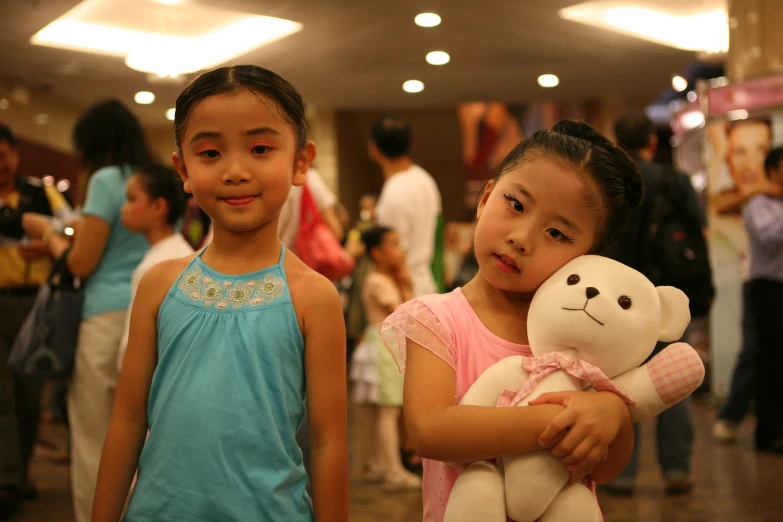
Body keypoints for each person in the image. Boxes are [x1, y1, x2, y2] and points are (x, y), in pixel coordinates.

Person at [91, 65, 348, 522]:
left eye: (260, 149)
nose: (234, 171)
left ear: (301, 162)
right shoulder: (159, 285)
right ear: (183, 170)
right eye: (210, 153)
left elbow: (328, 443)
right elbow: (128, 421)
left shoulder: (314, 297)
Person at [381, 120, 646, 522]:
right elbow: (430, 430)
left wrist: (613, 414)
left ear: (588, 257)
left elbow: (607, 469)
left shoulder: (587, 337)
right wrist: (564, 420)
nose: (522, 238)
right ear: (486, 197)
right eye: (516, 204)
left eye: (557, 233)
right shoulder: (438, 319)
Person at [21, 100, 152, 522]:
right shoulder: (149, 179)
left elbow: (81, 263)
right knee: (142, 434)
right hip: (147, 312)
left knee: (97, 435)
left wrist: (48, 234)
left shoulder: (106, 179)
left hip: (104, 319)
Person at [605, 110, 705, 495]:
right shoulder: (674, 180)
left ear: (617, 143)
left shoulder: (609, 184)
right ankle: (677, 469)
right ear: (651, 141)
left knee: (618, 382)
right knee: (671, 380)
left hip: (619, 298)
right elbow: (698, 227)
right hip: (668, 295)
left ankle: (622, 473)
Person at [0, 124, 72, 516]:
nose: (0, 166)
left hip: (35, 307)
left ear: (14, 154)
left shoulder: (40, 193)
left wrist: (46, 239)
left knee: (29, 401)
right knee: (2, 401)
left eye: (3, 156)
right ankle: (8, 480)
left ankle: (21, 474)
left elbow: (74, 226)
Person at [711, 119, 778, 442]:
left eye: (760, 149)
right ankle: (733, 418)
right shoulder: (753, 201)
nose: (749, 162)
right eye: (739, 151)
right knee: (755, 353)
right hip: (762, 285)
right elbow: (767, 235)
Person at [350, 226, 421, 492]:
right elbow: (404, 313)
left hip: (381, 344)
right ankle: (392, 469)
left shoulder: (381, 278)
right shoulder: (378, 281)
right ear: (377, 253)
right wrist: (407, 285)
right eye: (393, 244)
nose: (399, 250)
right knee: (388, 411)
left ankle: (378, 463)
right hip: (384, 346)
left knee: (381, 411)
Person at [116, 165, 194, 371]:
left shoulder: (156, 265)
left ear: (158, 207)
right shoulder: (179, 251)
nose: (124, 207)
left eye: (132, 199)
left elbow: (134, 344)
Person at [369, 117, 443, 298]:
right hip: (426, 282)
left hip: (405, 289)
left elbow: (392, 256)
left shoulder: (395, 191)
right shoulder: (425, 179)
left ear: (374, 148)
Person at [745, 147, 783, 453]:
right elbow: (769, 237)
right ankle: (768, 432)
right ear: (773, 170)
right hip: (769, 288)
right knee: (771, 359)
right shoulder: (759, 204)